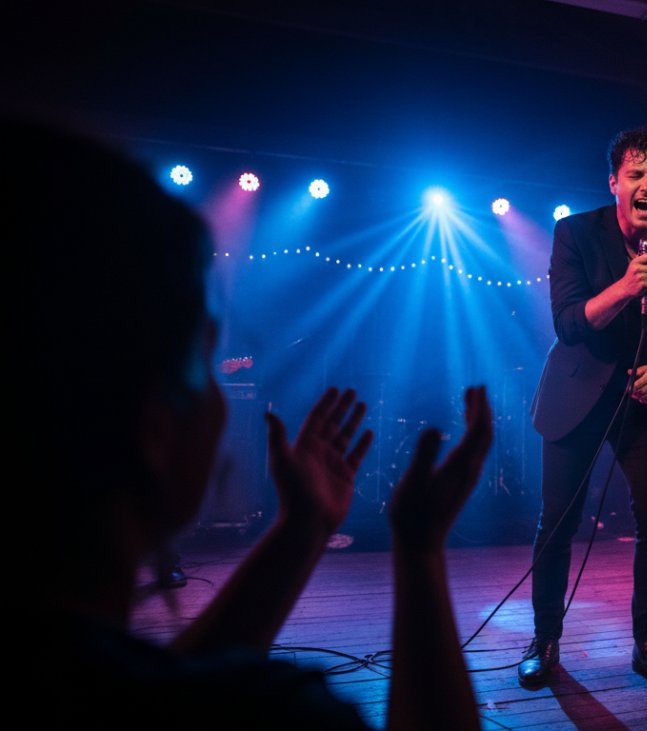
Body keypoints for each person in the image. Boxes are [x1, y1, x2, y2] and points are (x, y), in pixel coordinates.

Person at [14, 114, 492, 730]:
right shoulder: (278, 713)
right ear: (154, 427)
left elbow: (163, 701)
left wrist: (302, 528)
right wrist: (421, 550)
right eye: (204, 361)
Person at [520, 126, 647, 692]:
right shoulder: (575, 233)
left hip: (642, 397)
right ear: (614, 183)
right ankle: (544, 641)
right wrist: (627, 286)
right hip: (576, 392)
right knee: (558, 520)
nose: (646, 184)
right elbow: (568, 323)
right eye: (636, 174)